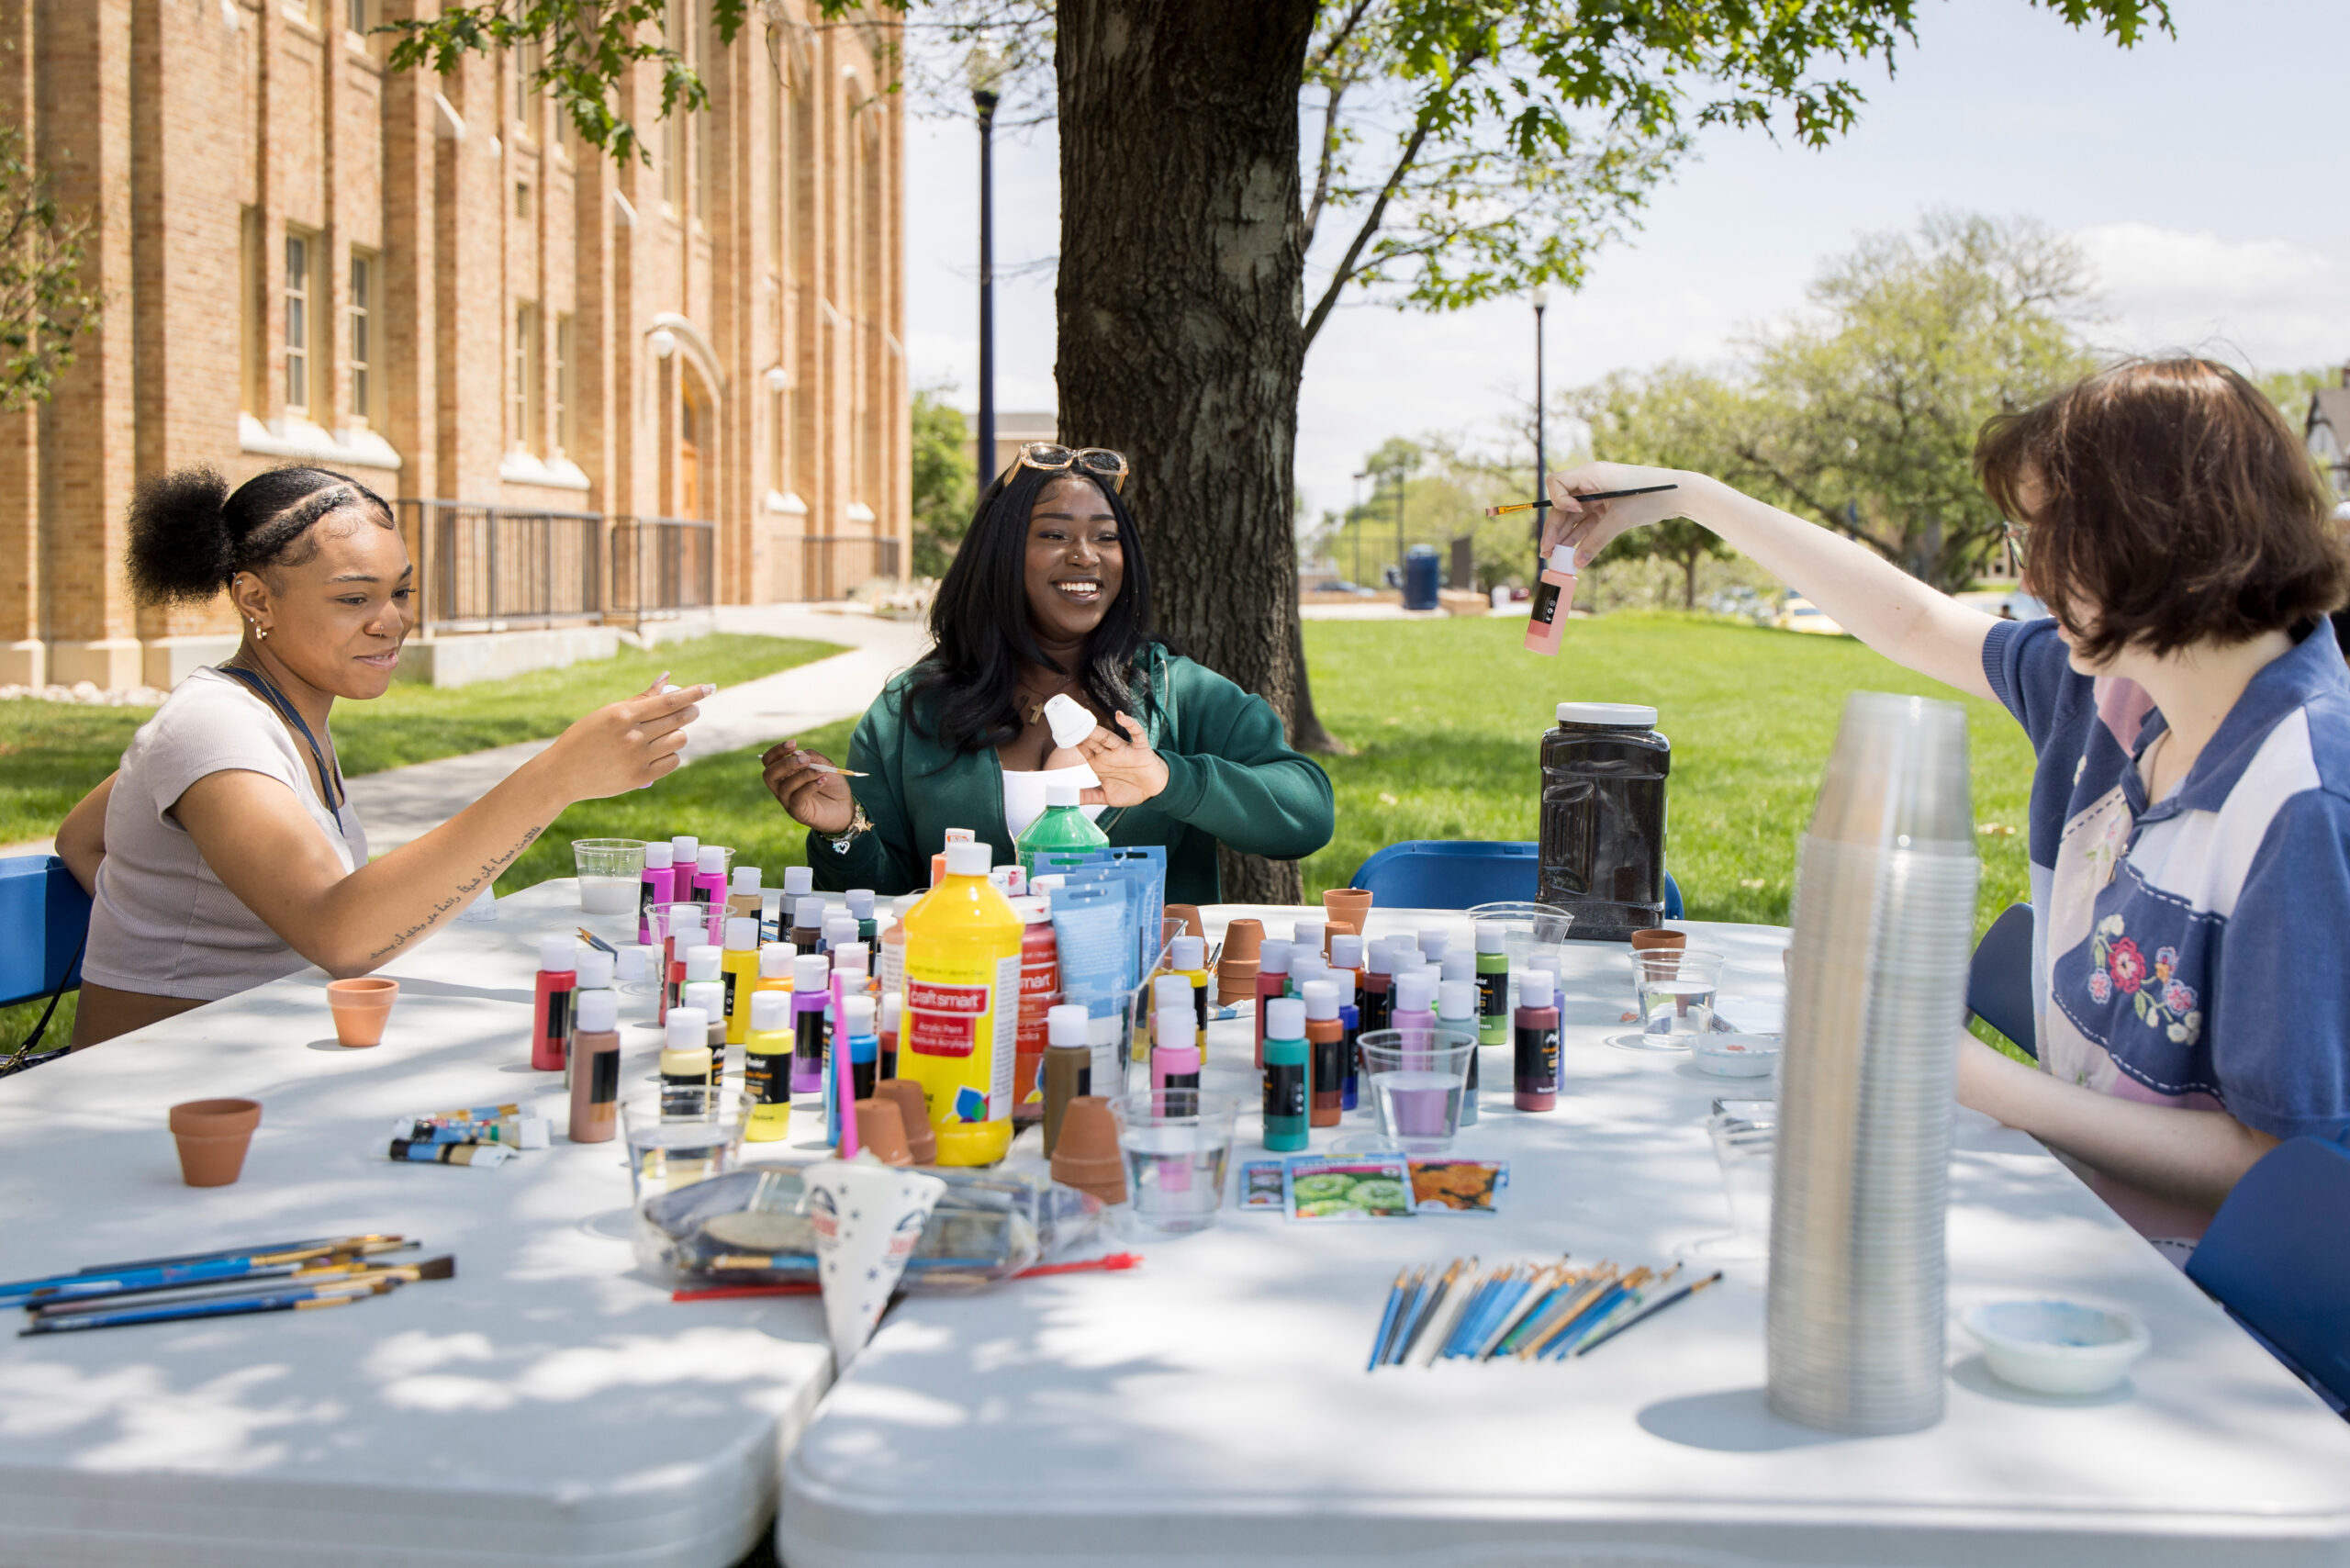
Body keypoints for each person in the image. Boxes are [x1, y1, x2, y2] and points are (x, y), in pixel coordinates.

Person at [1545, 358, 2350, 1239]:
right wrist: (1688, 495)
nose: (2031, 579)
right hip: (2061, 1225)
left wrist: (1958, 1068)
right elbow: (1914, 621)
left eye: (2039, 537)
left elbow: (2282, 1170)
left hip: (2197, 1318)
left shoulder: (2305, 798)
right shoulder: (2121, 688)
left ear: (2146, 535)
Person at [55, 465, 708, 1048]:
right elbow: (339, 934)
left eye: (400, 592)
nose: (390, 621)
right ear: (256, 599)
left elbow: (82, 837)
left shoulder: (263, 718)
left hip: (262, 1055)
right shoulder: (214, 727)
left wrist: (169, 919)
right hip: (162, 1086)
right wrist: (557, 778)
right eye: (352, 598)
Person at [760, 443, 1333, 903]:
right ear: (1002, 556)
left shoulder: (1174, 693)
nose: (1086, 555)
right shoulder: (913, 710)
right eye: (1055, 534)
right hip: (970, 1001)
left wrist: (1167, 780)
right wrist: (841, 831)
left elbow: (1306, 814)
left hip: (1140, 1009)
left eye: (1106, 537)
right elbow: (882, 900)